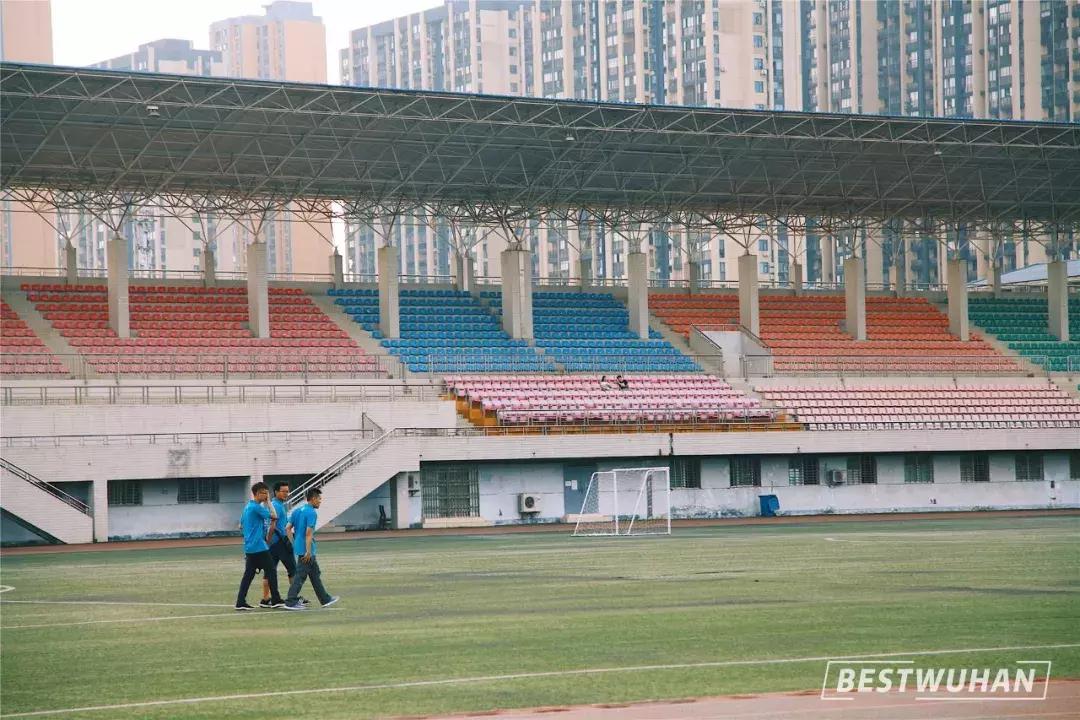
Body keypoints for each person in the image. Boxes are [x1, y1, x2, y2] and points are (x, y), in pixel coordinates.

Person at [283, 487, 339, 611]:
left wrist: (294, 543)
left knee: (315, 574)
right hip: (307, 551)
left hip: (300, 548)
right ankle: (290, 601)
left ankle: (325, 599)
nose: (320, 502)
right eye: (319, 499)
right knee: (300, 576)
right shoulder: (311, 513)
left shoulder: (297, 511)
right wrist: (308, 551)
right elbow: (309, 533)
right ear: (313, 499)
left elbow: (287, 528)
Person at [235, 481, 286, 611]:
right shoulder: (256, 507)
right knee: (271, 571)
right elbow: (274, 516)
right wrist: (268, 502)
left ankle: (240, 601)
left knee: (248, 575)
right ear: (258, 494)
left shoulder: (247, 507)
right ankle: (276, 599)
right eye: (265, 493)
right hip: (259, 546)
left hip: (249, 547)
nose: (266, 496)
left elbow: (240, 525)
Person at [259, 481, 308, 608]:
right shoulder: (277, 506)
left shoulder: (276, 505)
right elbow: (279, 527)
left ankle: (265, 599)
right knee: (293, 570)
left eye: (287, 491)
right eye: (284, 491)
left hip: (271, 544)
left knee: (269, 571)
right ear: (276, 492)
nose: (287, 493)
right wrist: (290, 541)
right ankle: (293, 598)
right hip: (281, 542)